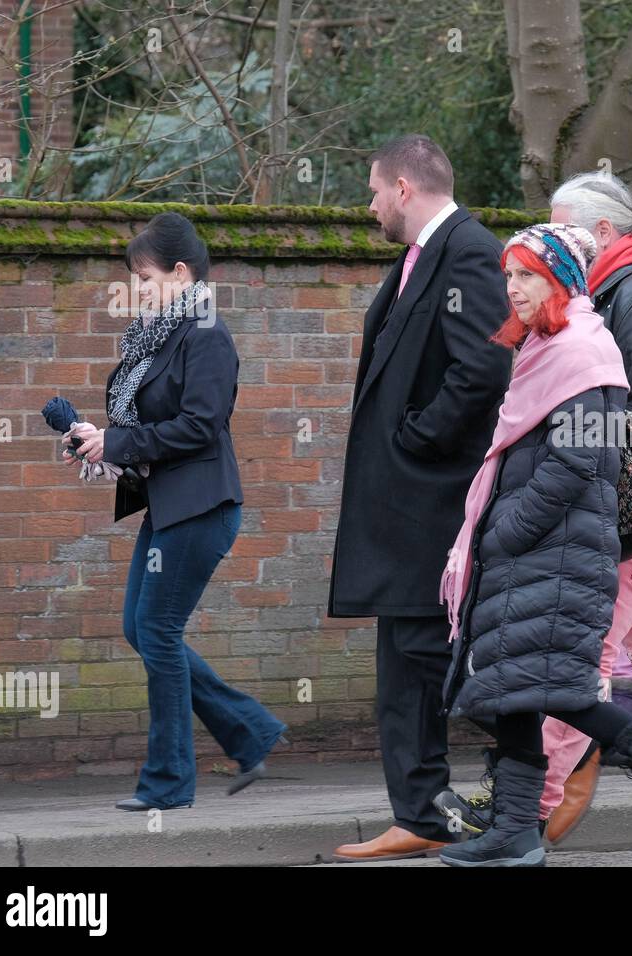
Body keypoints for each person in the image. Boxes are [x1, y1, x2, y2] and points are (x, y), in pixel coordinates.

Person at [436, 223, 632, 867]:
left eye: (527, 275)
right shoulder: (544, 348)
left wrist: (505, 532)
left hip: (557, 553)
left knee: (560, 691)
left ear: (562, 280)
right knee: (515, 687)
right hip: (532, 554)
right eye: (508, 275)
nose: (512, 288)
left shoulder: (585, 354)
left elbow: (578, 462)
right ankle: (514, 831)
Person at [62, 212, 287, 810]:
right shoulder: (157, 334)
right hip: (169, 506)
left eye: (144, 276)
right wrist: (100, 440)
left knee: (157, 631)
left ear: (181, 273)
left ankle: (168, 783)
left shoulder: (205, 333)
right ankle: (249, 730)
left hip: (201, 507)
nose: (136, 288)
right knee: (140, 627)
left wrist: (120, 442)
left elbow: (200, 425)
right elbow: (141, 425)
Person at [327, 135, 512, 861]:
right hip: (402, 502)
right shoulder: (418, 257)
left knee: (431, 657)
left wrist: (418, 440)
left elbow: (484, 364)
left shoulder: (466, 250)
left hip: (429, 498)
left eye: (374, 191)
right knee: (406, 660)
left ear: (404, 187)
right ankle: (421, 815)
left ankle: (560, 736)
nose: (370, 205)